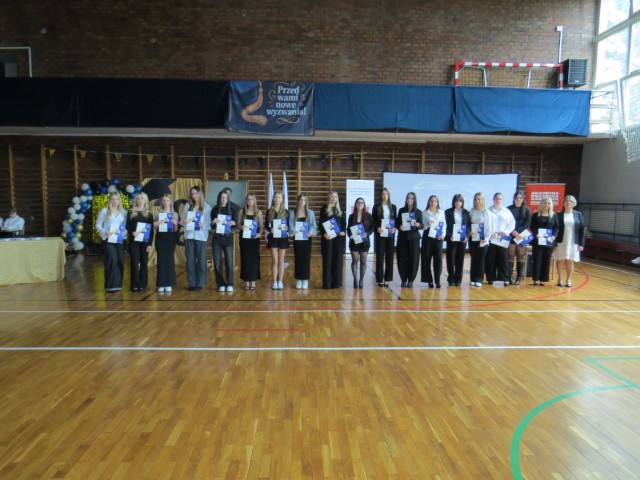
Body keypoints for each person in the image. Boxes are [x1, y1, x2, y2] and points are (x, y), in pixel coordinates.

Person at [180, 185, 211, 291]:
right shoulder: (187, 206)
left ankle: (200, 283)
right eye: (192, 194)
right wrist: (184, 221)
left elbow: (209, 225)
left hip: (201, 237)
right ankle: (192, 283)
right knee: (190, 261)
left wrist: (203, 225)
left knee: (201, 261)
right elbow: (181, 220)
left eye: (196, 193)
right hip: (189, 236)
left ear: (200, 194)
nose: (194, 196)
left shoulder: (207, 207)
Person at [95, 191, 127, 293]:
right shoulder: (104, 211)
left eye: (117, 199)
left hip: (120, 239)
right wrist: (105, 232)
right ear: (109, 200)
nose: (115, 201)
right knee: (111, 260)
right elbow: (98, 225)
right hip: (108, 239)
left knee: (120, 261)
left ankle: (118, 285)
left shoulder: (124, 212)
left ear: (119, 200)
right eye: (113, 199)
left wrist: (126, 231)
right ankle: (110, 286)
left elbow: (126, 226)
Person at [485, 192, 516, 287]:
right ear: (493, 199)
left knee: (503, 259)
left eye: (500, 199)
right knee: (491, 259)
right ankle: (490, 278)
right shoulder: (488, 211)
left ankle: (505, 279)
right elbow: (485, 224)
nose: (498, 200)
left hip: (503, 239)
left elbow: (512, 224)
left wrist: (505, 231)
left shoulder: (507, 211)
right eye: (496, 199)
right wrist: (491, 233)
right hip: (491, 238)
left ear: (502, 200)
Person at [555, 195, 585, 287]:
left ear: (574, 204)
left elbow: (582, 229)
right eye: (567, 201)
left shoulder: (578, 214)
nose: (568, 203)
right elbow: (555, 228)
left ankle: (569, 279)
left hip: (573, 241)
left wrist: (581, 244)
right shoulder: (558, 215)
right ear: (563, 203)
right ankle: (560, 278)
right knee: (560, 260)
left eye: (571, 201)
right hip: (561, 241)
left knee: (570, 260)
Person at [126, 192, 154, 292]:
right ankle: (134, 284)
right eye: (138, 198)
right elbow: (127, 226)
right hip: (133, 242)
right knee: (134, 263)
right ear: (135, 201)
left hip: (145, 242)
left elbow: (151, 230)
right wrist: (132, 232)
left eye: (142, 198)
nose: (140, 200)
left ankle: (143, 284)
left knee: (144, 263)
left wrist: (150, 244)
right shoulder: (130, 212)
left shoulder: (149, 213)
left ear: (145, 200)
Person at [211, 189, 238, 292]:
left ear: (228, 199)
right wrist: (213, 221)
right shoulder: (214, 209)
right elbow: (211, 225)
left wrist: (234, 223)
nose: (223, 199)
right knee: (217, 263)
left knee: (229, 262)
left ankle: (230, 283)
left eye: (225, 197)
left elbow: (236, 225)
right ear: (219, 198)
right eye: (222, 197)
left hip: (227, 238)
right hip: (217, 238)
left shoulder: (232, 210)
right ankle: (220, 284)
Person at [288, 193, 317, 289]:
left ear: (306, 202)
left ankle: (305, 279)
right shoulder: (293, 213)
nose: (302, 202)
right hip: (297, 239)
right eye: (301, 200)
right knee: (298, 259)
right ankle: (299, 279)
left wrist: (311, 231)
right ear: (298, 201)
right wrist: (293, 231)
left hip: (307, 239)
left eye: (304, 200)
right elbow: (291, 226)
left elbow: (313, 226)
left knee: (306, 259)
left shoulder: (310, 213)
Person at [319, 191, 347, 289]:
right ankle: (327, 283)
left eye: (335, 196)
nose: (334, 198)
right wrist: (324, 234)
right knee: (327, 260)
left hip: (338, 239)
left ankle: (337, 283)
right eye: (332, 196)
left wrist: (343, 231)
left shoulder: (341, 209)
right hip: (327, 239)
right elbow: (320, 224)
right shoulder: (324, 209)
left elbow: (344, 224)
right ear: (329, 198)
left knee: (338, 261)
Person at [530, 197, 558, 286]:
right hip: (538, 241)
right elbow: (532, 226)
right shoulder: (536, 215)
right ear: (542, 204)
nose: (546, 205)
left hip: (548, 242)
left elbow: (557, 228)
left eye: (548, 203)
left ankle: (543, 279)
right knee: (537, 260)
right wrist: (536, 233)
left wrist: (554, 236)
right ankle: (536, 279)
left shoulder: (554, 215)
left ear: (551, 205)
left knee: (546, 260)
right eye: (545, 203)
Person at [372, 188, 397, 287]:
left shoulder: (393, 207)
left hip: (390, 235)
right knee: (380, 257)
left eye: (387, 194)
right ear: (380, 195)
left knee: (390, 257)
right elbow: (373, 221)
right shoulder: (376, 207)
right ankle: (380, 279)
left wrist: (394, 228)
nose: (385, 196)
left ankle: (387, 279)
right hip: (380, 235)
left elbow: (396, 220)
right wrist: (377, 228)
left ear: (389, 195)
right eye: (383, 194)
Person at [397, 192, 423, 288]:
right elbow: (397, 223)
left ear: (414, 200)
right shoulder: (401, 210)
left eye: (412, 198)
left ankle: (411, 280)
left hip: (414, 238)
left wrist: (418, 225)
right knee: (402, 259)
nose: (409, 200)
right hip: (402, 238)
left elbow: (422, 225)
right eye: (408, 198)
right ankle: (403, 280)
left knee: (414, 259)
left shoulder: (418, 212)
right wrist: (399, 226)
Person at [238, 193, 263, 290]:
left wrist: (259, 234)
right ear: (246, 201)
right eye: (248, 199)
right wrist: (241, 227)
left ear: (254, 200)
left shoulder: (258, 212)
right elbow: (238, 224)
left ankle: (253, 281)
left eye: (252, 199)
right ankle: (246, 281)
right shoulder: (242, 211)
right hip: (244, 239)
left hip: (254, 239)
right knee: (245, 259)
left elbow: (261, 226)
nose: (250, 201)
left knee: (254, 260)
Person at [153, 193, 178, 293]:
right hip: (160, 238)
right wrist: (155, 225)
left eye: (167, 200)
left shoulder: (174, 214)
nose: (166, 202)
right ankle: (161, 283)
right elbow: (155, 229)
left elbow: (175, 230)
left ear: (170, 201)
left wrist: (175, 224)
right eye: (164, 200)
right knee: (161, 261)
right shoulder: (158, 213)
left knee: (169, 260)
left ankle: (169, 283)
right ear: (161, 202)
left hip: (170, 238)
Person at [347, 197, 373, 289]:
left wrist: (367, 233)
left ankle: (361, 279)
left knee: (363, 261)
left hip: (364, 242)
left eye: (362, 202)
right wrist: (350, 235)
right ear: (356, 204)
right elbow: (348, 228)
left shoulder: (368, 216)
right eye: (358, 202)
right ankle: (355, 279)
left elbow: (372, 228)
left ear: (364, 204)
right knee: (354, 260)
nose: (360, 204)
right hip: (354, 242)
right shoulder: (351, 216)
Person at [421, 194, 446, 288]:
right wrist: (427, 224)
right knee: (426, 259)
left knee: (438, 260)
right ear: (429, 202)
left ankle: (437, 280)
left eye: (435, 201)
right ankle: (429, 281)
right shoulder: (424, 213)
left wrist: (443, 235)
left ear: (437, 202)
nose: (433, 203)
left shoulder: (441, 212)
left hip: (438, 238)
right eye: (431, 201)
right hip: (427, 238)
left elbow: (444, 225)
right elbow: (422, 227)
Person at [444, 194, 470, 287]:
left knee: (460, 260)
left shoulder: (466, 212)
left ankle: (458, 279)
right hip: (452, 239)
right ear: (453, 202)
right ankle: (451, 279)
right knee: (450, 260)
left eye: (460, 201)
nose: (458, 203)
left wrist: (467, 236)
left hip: (462, 240)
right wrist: (449, 236)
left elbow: (469, 226)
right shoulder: (448, 212)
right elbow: (445, 226)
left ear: (462, 202)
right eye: (456, 201)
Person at [266, 191, 289, 290]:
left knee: (281, 260)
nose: (277, 199)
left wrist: (287, 228)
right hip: (273, 238)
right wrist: (270, 229)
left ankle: (280, 281)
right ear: (273, 199)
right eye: (275, 197)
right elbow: (266, 225)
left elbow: (288, 225)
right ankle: (274, 281)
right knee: (275, 260)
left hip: (283, 238)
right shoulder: (269, 211)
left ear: (282, 199)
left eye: (279, 197)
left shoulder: (286, 212)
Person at [507, 191, 532, 285]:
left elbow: (528, 222)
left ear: (523, 199)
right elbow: (507, 222)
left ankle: (518, 277)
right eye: (517, 197)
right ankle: (509, 277)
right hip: (511, 234)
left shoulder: (526, 209)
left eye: (520, 198)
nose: (518, 199)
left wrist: (519, 233)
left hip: (523, 235)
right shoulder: (508, 209)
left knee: (520, 255)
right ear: (514, 198)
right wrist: (513, 232)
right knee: (510, 255)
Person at [468, 192, 491, 287]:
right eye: (476, 199)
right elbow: (468, 225)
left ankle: (479, 279)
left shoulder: (486, 211)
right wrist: (469, 232)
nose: (477, 201)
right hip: (473, 238)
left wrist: (486, 238)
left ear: (482, 200)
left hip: (483, 240)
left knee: (481, 260)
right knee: (474, 259)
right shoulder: (471, 211)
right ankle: (473, 278)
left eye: (479, 199)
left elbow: (489, 227)